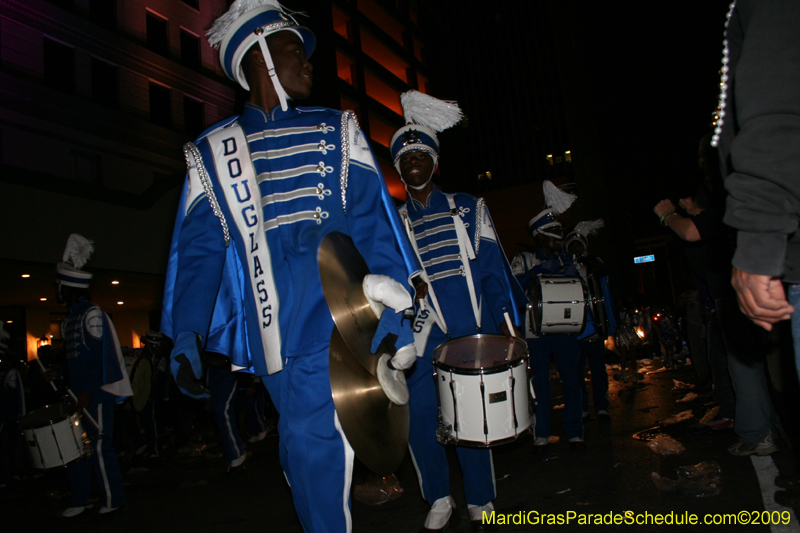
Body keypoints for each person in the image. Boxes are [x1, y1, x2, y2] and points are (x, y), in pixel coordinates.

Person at [160, 3, 418, 531]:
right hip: (274, 332)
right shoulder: (212, 153)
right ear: (260, 58)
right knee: (302, 451)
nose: (308, 63)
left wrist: (397, 311)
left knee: (317, 447)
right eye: (294, 50)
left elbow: (374, 220)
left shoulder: (337, 128)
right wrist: (185, 333)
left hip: (346, 322)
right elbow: (199, 255)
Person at [392, 91, 527, 531]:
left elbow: (493, 271)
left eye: (420, 153)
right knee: (419, 419)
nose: (412, 160)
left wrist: (508, 327)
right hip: (421, 335)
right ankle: (437, 495)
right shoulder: (394, 223)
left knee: (472, 417)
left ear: (434, 161)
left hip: (472, 331)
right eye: (405, 156)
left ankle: (481, 497)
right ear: (398, 168)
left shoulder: (469, 208)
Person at [654, 133, 781, 455]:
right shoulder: (756, 180)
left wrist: (667, 214)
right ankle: (772, 429)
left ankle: (758, 434)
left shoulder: (728, 187)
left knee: (746, 364)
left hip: (744, 290)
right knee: (766, 364)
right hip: (766, 283)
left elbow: (694, 232)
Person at [55, 234, 132, 517]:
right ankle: (80, 498)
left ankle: (114, 498)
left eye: (59, 284)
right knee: (76, 449)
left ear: (69, 286)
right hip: (78, 396)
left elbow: (102, 357)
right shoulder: (70, 319)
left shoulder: (92, 314)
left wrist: (88, 389)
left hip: (96, 394)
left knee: (100, 447)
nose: (57, 289)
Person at [512, 182, 585, 453]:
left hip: (565, 330)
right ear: (540, 236)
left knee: (572, 381)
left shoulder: (568, 261)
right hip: (535, 332)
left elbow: (581, 291)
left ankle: (575, 431)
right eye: (553, 233)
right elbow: (511, 289)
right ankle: (541, 431)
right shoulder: (525, 259)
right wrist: (535, 272)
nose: (559, 237)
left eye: (559, 232)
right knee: (540, 384)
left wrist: (573, 273)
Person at [564, 220, 617, 417]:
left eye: (579, 245)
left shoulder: (594, 263)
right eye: (572, 245)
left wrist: (591, 264)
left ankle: (602, 405)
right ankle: (583, 407)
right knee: (576, 372)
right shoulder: (563, 265)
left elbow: (605, 278)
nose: (576, 248)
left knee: (598, 369)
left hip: (592, 327)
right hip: (573, 329)